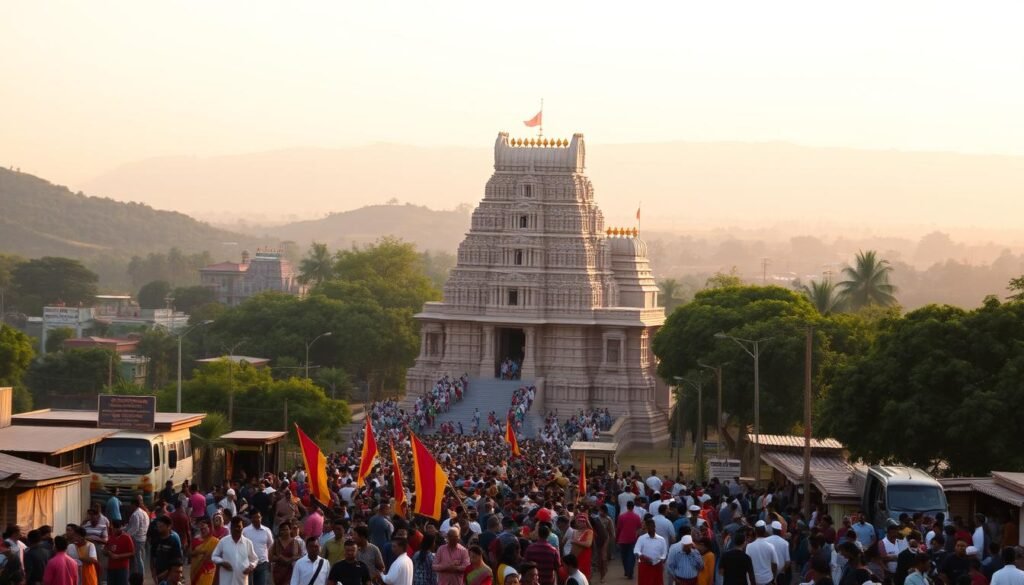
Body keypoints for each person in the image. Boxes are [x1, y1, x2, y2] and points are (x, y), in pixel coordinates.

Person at [213, 517, 259, 585]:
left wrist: (251, 566)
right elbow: (214, 556)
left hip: (241, 581)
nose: (237, 529)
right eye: (235, 527)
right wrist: (222, 562)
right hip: (226, 581)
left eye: (239, 526)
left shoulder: (248, 543)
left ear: (242, 527)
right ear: (231, 528)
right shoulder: (223, 541)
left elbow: (255, 559)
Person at [243, 511, 275, 585]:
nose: (257, 519)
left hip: (262, 563)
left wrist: (269, 560)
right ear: (251, 519)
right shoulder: (245, 531)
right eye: (254, 517)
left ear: (261, 518)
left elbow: (270, 545)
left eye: (258, 517)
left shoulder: (267, 530)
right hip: (249, 564)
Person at [633, 516, 667, 585]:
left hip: (657, 566)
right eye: (649, 526)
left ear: (655, 526)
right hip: (645, 565)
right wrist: (643, 556)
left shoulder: (661, 539)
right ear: (646, 527)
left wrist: (661, 559)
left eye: (652, 526)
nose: (651, 528)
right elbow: (636, 550)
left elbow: (664, 553)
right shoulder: (641, 538)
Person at [149, 516, 183, 585]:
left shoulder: (174, 540)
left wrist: (166, 574)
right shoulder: (156, 540)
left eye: (161, 526)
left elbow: (177, 561)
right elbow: (152, 557)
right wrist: (153, 572)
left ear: (169, 526)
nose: (159, 528)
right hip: (159, 574)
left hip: (170, 575)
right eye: (158, 526)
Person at [190, 519, 221, 585]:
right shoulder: (196, 539)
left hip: (209, 571)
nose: (203, 531)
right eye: (201, 529)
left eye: (204, 528)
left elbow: (219, 557)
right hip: (195, 570)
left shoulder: (215, 541)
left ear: (209, 528)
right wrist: (199, 552)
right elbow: (189, 553)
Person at [617, 501, 643, 579]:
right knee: (631, 556)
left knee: (624, 556)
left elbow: (618, 528)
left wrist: (617, 538)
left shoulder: (621, 516)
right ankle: (630, 572)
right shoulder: (637, 517)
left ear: (627, 507)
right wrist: (636, 534)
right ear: (633, 507)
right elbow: (639, 527)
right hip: (633, 539)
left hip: (622, 539)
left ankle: (627, 571)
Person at [125, 498, 149, 577]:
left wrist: (126, 535)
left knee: (138, 558)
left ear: (134, 504)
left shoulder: (135, 514)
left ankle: (140, 576)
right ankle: (138, 574)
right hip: (143, 537)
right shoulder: (144, 513)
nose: (130, 506)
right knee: (140, 557)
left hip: (137, 538)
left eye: (131, 505)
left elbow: (135, 528)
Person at [570, 516, 594, 581]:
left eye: (583, 521)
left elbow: (588, 544)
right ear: (576, 523)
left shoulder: (589, 531)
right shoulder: (574, 532)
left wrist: (575, 541)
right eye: (579, 521)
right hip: (575, 557)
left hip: (585, 556)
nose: (581, 523)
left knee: (585, 577)